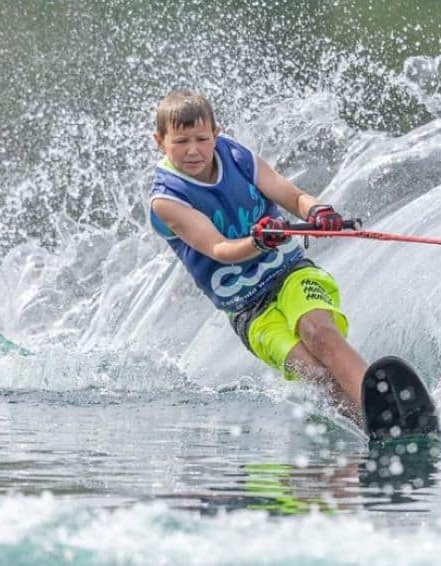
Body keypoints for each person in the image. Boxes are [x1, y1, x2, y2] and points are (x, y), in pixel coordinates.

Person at [149, 89, 367, 419]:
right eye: (180, 142)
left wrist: (319, 211)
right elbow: (219, 249)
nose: (193, 150)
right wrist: (260, 241)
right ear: (160, 141)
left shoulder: (237, 157)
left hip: (291, 273)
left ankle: (376, 399)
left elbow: (292, 196)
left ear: (216, 135)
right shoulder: (166, 200)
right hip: (249, 311)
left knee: (319, 333)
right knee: (314, 371)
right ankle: (373, 426)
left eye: (201, 139)